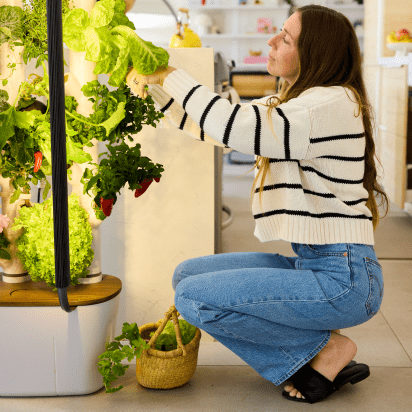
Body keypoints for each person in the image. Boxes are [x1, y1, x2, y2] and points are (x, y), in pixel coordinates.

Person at [125, 4, 388, 405]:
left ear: (314, 53)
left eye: (285, 38)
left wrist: (169, 75)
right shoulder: (301, 103)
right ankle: (318, 347)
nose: (271, 41)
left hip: (344, 280)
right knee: (186, 275)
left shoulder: (326, 105)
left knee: (193, 297)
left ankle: (321, 353)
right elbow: (219, 128)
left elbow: (239, 126)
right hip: (319, 265)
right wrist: (155, 90)